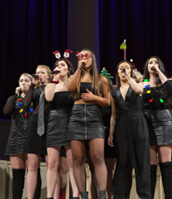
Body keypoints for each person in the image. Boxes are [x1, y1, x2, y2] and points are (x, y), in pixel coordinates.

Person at [67, 49, 110, 199]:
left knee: (98, 157)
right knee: (78, 159)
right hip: (76, 117)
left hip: (94, 117)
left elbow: (108, 101)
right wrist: (79, 68)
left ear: (93, 59)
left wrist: (94, 98)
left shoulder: (101, 79)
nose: (84, 58)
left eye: (87, 56)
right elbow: (70, 88)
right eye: (81, 56)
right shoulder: (75, 76)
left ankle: (102, 195)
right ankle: (83, 195)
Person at [108, 60, 151, 199]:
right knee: (123, 162)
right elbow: (114, 115)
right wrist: (110, 134)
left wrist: (130, 78)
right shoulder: (114, 91)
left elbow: (139, 91)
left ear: (131, 71)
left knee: (141, 161)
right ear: (117, 72)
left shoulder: (139, 84)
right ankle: (120, 196)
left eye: (126, 68)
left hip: (138, 123)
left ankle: (144, 195)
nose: (123, 70)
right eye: (121, 68)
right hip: (122, 125)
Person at [141, 56, 172, 199]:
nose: (153, 64)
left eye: (156, 63)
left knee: (166, 164)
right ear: (146, 67)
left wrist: (159, 73)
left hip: (164, 120)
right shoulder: (143, 84)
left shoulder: (165, 83)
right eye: (150, 63)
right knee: (151, 166)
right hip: (147, 121)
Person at [45, 57, 79, 199]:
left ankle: (76, 195)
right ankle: (50, 196)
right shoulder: (51, 84)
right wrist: (54, 79)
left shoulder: (74, 84)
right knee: (52, 163)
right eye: (57, 65)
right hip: (54, 123)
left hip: (71, 122)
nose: (59, 67)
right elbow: (48, 98)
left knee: (72, 163)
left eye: (62, 65)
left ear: (69, 68)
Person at [3, 73, 33, 199]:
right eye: (21, 80)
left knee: (32, 172)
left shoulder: (35, 97)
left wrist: (31, 92)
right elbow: (6, 111)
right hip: (16, 137)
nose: (23, 83)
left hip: (31, 137)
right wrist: (16, 95)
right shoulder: (14, 98)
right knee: (17, 176)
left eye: (26, 80)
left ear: (32, 83)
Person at [24, 65, 51, 199]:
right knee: (32, 165)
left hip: (50, 124)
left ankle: (52, 195)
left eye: (42, 72)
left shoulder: (53, 87)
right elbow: (26, 104)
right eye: (37, 72)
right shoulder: (34, 89)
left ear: (49, 75)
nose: (38, 74)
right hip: (35, 125)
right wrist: (31, 86)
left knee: (51, 164)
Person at [89, 68, 116, 199]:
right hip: (92, 134)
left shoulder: (111, 101)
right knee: (93, 170)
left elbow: (114, 117)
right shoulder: (91, 100)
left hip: (109, 136)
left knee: (110, 171)